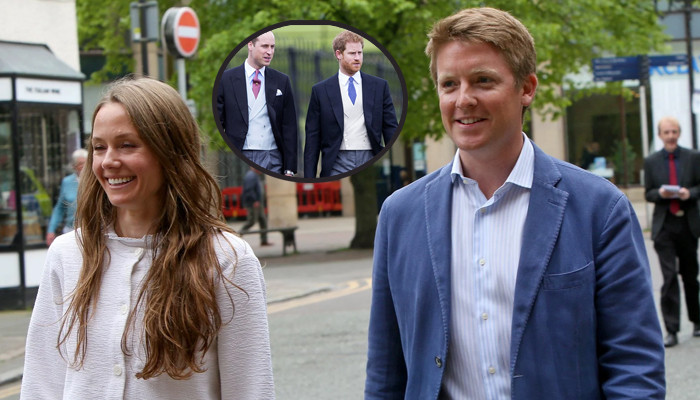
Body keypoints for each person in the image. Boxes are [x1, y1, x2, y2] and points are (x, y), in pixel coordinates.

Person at [365, 7, 665, 399]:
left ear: (527, 88)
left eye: (483, 80)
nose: (464, 99)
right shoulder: (399, 215)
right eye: (449, 84)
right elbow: (386, 372)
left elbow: (634, 366)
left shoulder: (599, 209)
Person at [22, 77, 273, 399]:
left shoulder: (227, 259)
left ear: (170, 151)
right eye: (99, 147)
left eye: (127, 145)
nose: (109, 161)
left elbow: (251, 389)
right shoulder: (68, 254)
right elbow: (41, 384)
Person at [304, 30, 398, 178]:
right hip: (336, 162)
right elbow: (312, 138)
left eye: (360, 53)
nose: (357, 58)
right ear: (338, 54)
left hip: (371, 157)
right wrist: (309, 177)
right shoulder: (321, 91)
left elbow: (390, 128)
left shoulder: (379, 86)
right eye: (352, 53)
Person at [644, 116, 700, 347]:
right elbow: (648, 193)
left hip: (687, 223)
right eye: (666, 132)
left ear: (679, 133)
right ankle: (671, 330)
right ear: (660, 135)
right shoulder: (651, 161)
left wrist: (690, 193)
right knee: (668, 278)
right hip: (664, 225)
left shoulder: (693, 157)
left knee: (690, 276)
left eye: (674, 131)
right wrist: (661, 194)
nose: (670, 136)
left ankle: (696, 321)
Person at [217, 31, 298, 176]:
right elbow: (219, 120)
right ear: (250, 45)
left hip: (273, 156)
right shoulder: (226, 79)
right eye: (265, 46)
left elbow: (289, 126)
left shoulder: (282, 80)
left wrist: (289, 169)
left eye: (272, 47)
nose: (269, 52)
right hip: (240, 156)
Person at [45, 148, 87, 246]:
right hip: (70, 231)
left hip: (91, 230)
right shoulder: (67, 182)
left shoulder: (96, 180)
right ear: (74, 166)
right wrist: (51, 229)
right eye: (80, 164)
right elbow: (60, 208)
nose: (84, 166)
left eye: (86, 163)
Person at [240, 166, 272, 246]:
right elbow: (249, 190)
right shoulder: (251, 176)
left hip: (258, 203)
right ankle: (238, 235)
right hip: (253, 203)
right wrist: (254, 200)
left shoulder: (255, 176)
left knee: (262, 220)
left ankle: (264, 240)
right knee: (251, 221)